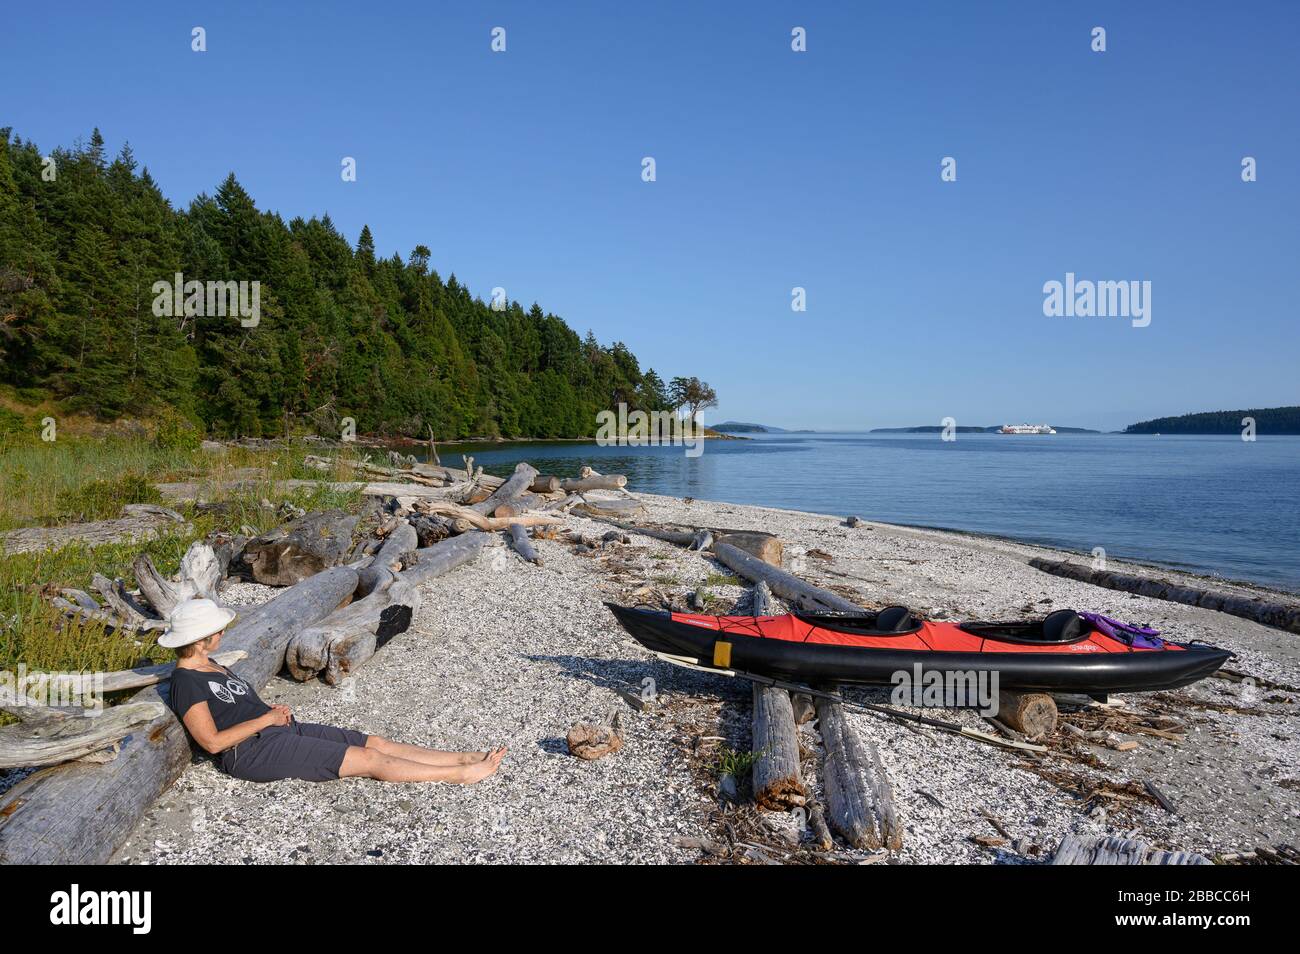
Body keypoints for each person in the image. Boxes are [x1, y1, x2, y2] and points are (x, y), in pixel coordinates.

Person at [160, 598, 505, 784]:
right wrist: (265, 718)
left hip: (275, 730)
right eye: (217, 629)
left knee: (375, 742)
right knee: (368, 760)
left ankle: (460, 757)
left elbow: (238, 707)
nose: (222, 632)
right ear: (203, 638)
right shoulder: (186, 681)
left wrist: (271, 712)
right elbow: (213, 742)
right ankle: (459, 775)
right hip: (250, 753)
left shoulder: (214, 665)